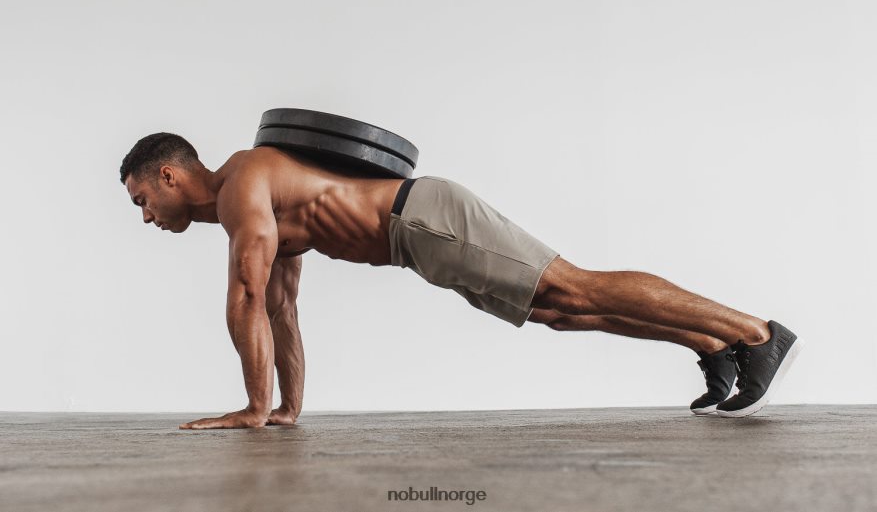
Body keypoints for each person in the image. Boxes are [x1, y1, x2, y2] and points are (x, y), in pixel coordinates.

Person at [119, 132, 802, 429]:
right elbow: (281, 308)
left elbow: (246, 297)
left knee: (574, 286)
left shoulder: (244, 185)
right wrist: (284, 407)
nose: (146, 216)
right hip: (417, 240)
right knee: (558, 312)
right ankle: (711, 344)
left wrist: (251, 407)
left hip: (422, 217)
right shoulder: (259, 204)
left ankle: (755, 333)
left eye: (143, 200)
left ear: (170, 176)